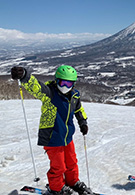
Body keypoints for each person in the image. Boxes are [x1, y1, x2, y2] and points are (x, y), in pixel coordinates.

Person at [11, 65, 90, 195]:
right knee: (58, 166)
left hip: (67, 136)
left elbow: (78, 109)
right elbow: (35, 86)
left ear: (73, 83)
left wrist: (82, 122)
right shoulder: (49, 93)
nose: (65, 86)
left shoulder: (75, 95)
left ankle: (72, 182)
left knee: (71, 162)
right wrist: (24, 76)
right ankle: (57, 189)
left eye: (68, 83)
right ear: (56, 80)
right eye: (62, 82)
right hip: (52, 137)